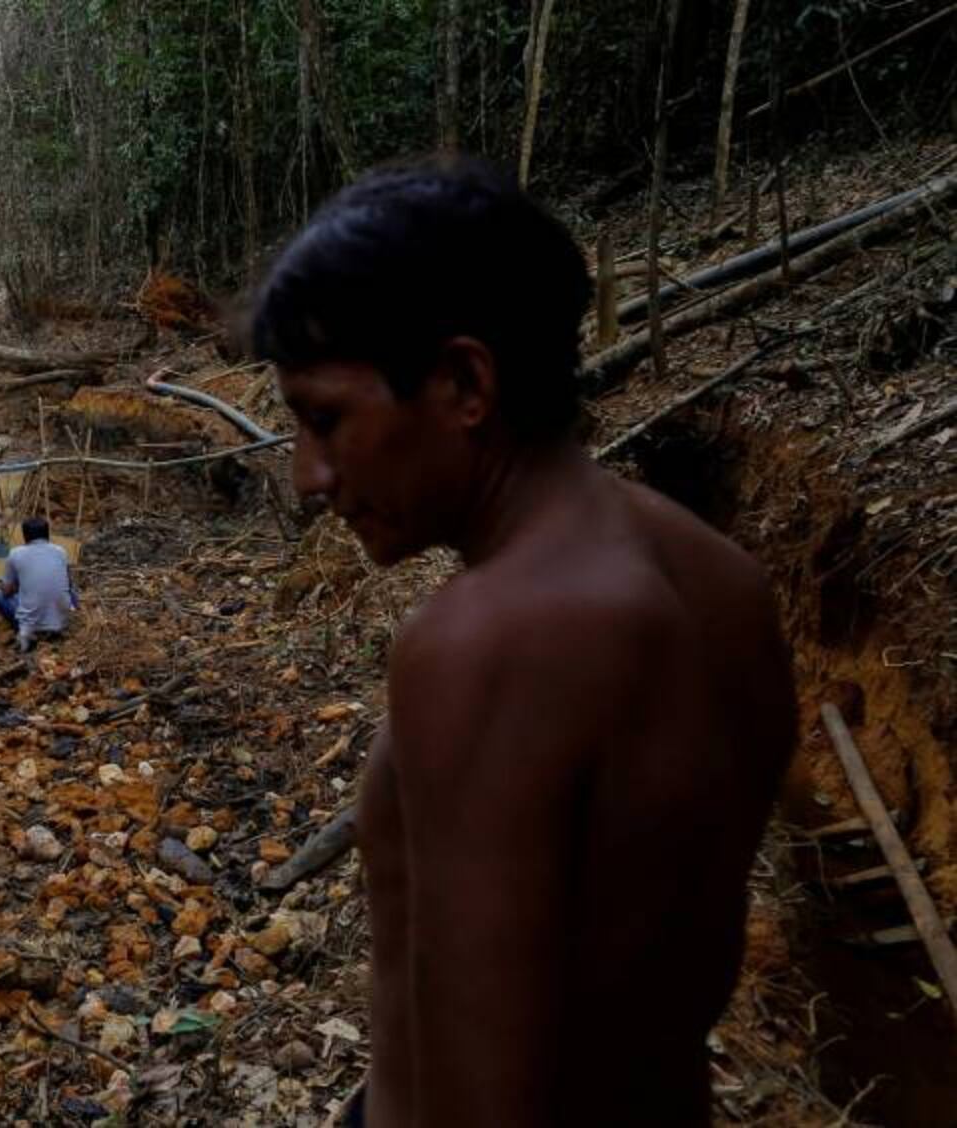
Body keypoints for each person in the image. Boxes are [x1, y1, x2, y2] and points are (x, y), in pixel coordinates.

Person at [250, 155, 794, 1128]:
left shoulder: (486, 641)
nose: (308, 476)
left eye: (325, 420)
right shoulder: (724, 587)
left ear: (464, 382)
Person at [0, 516, 77, 652]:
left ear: (25, 536)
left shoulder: (15, 554)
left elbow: (7, 591)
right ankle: (60, 621)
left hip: (31, 625)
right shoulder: (61, 551)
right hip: (62, 622)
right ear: (47, 534)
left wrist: (3, 585)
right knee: (71, 589)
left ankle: (29, 631)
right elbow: (68, 584)